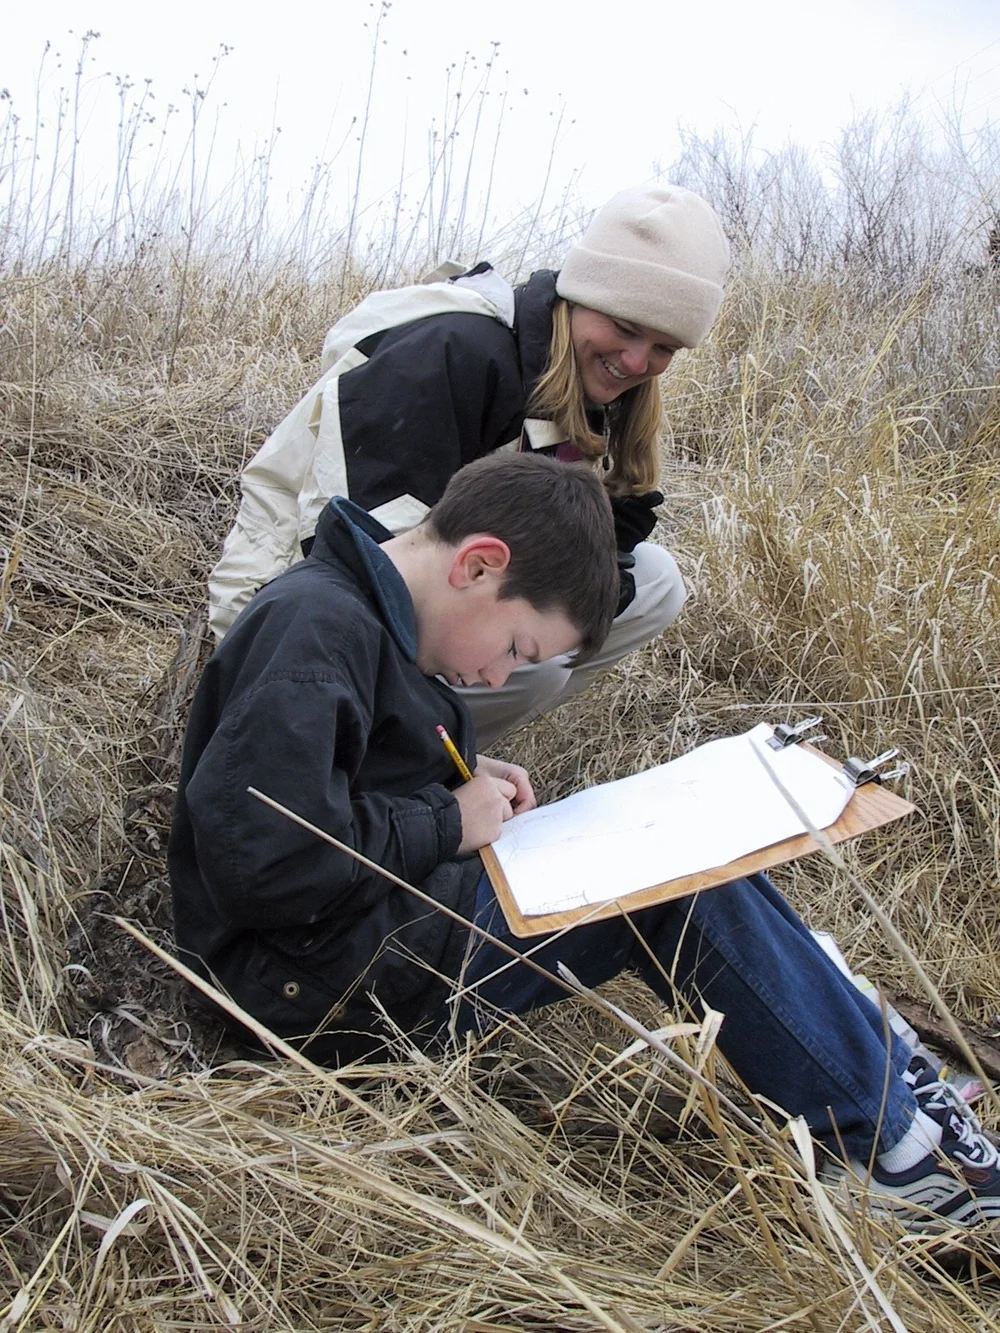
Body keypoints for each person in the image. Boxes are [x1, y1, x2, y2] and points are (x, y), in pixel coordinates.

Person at [172, 452, 1000, 1236]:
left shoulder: (369, 618)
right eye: (518, 651)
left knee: (685, 848)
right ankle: (886, 1153)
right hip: (298, 986)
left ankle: (882, 1079)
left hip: (348, 937)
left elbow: (336, 781)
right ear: (478, 565)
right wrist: (445, 821)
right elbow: (265, 861)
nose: (501, 680)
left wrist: (448, 781)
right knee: (668, 883)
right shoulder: (315, 633)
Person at [207, 184, 731, 747]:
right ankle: (394, 763)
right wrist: (507, 643)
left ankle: (433, 734)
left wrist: (601, 542)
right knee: (535, 671)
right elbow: (348, 553)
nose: (636, 362)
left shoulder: (583, 382)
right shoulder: (449, 352)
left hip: (436, 591)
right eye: (626, 327)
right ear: (580, 296)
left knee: (655, 582)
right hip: (292, 622)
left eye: (664, 348)